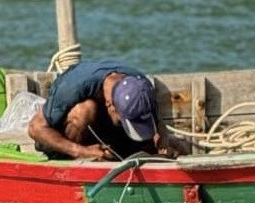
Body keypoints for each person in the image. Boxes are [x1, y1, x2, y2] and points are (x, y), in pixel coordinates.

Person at [28, 58, 176, 160]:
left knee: (172, 147)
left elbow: (158, 124)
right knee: (84, 111)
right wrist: (82, 152)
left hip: (108, 133)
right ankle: (72, 158)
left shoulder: (141, 86)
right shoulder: (73, 86)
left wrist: (163, 142)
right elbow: (35, 128)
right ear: (110, 106)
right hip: (75, 139)